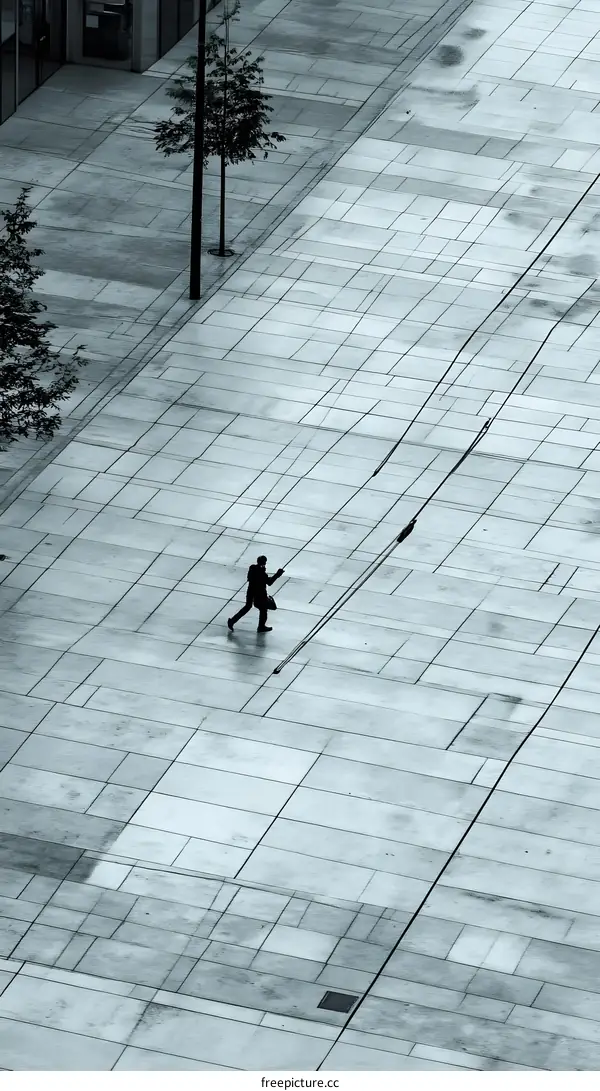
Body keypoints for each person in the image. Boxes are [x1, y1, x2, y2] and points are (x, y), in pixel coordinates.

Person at [228, 555, 284, 633]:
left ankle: (232, 621)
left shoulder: (252, 568)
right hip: (259, 594)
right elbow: (269, 582)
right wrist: (277, 575)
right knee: (263, 609)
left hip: (251, 591)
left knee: (248, 607)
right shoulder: (261, 573)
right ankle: (261, 627)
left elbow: (251, 578)